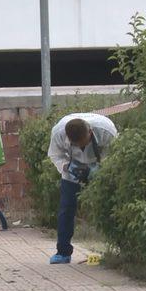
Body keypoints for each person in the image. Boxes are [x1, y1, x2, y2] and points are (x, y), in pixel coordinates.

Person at [47, 113, 117, 264]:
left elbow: (114, 154)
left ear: (90, 132)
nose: (80, 147)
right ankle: (63, 252)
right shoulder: (59, 133)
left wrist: (100, 169)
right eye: (76, 145)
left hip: (99, 168)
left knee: (110, 206)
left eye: (83, 143)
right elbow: (55, 154)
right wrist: (67, 166)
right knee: (66, 208)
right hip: (72, 170)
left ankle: (116, 250)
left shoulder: (106, 130)